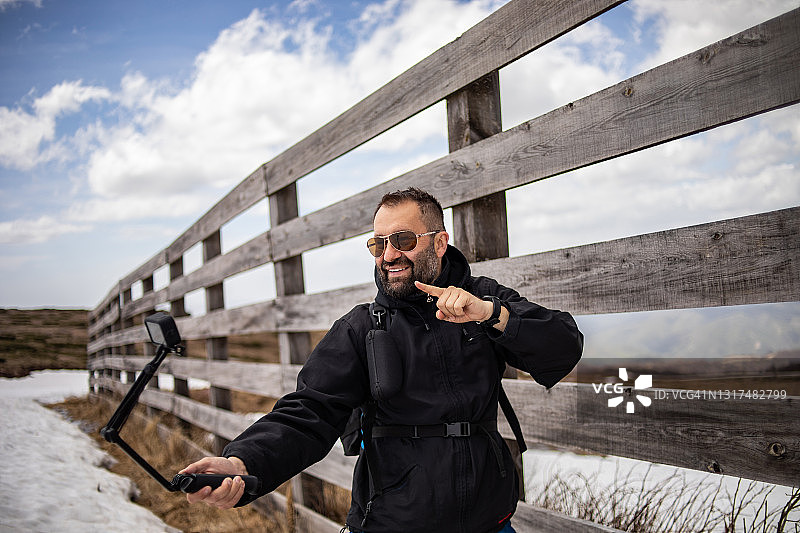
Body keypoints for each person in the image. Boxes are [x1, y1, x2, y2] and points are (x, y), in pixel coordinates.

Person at [180, 187, 583, 532]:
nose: (388, 255)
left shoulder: (483, 298)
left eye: (403, 240)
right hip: (394, 523)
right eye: (378, 243)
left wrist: (493, 315)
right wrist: (242, 460)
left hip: (490, 521)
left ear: (439, 243)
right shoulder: (361, 328)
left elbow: (563, 346)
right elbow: (309, 412)